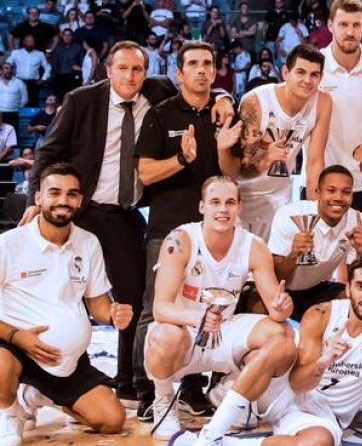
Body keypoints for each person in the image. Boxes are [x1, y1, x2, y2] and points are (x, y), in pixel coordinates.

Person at [28, 41, 232, 412]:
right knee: (60, 289)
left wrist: (224, 97)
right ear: (108, 70)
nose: (130, 76)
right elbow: (48, 152)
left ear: (147, 72)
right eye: (122, 69)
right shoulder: (81, 100)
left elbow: (201, 84)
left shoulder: (157, 93)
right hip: (82, 209)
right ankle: (44, 373)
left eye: (137, 69)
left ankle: (130, 383)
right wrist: (33, 201)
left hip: (124, 214)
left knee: (135, 298)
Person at [170, 256, 362, 446]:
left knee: (319, 443)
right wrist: (324, 360)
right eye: (361, 286)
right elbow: (298, 383)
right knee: (280, 345)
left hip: (323, 416)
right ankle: (208, 438)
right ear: (349, 287)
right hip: (285, 394)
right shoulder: (321, 315)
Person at [142, 176, 297, 442]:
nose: (222, 210)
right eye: (215, 202)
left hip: (225, 328)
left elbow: (276, 308)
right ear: (202, 206)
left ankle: (230, 394)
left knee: (282, 335)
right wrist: (196, 317)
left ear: (239, 207)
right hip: (185, 332)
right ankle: (163, 400)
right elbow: (161, 308)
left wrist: (284, 306)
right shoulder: (180, 240)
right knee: (163, 335)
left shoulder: (254, 246)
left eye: (229, 203)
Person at [133, 41, 241, 417]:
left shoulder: (227, 113)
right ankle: (146, 391)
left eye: (207, 64)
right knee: (154, 309)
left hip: (214, 234)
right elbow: (145, 172)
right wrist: (182, 158)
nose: (200, 70)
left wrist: (226, 145)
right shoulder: (160, 115)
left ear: (215, 72)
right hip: (168, 228)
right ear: (179, 73)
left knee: (208, 306)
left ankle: (195, 388)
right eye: (192, 64)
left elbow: (234, 175)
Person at [0, 164, 132, 445]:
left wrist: (112, 313)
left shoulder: (89, 243)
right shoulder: (8, 245)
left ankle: (37, 395)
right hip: (14, 348)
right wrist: (17, 337)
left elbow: (97, 304)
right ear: (38, 198)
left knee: (112, 421)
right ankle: (10, 414)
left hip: (67, 361)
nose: (63, 200)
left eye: (72, 194)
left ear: (80, 201)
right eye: (55, 192)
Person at [229, 44, 332, 239]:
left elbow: (315, 162)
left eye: (314, 75)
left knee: (274, 265)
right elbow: (239, 164)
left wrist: (315, 214)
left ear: (321, 78)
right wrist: (266, 158)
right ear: (286, 72)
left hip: (280, 197)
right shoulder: (256, 100)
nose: (307, 80)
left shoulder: (323, 102)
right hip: (243, 196)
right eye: (300, 72)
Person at [315, 0, 362, 253]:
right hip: (322, 183)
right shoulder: (314, 66)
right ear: (330, 26)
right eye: (343, 24)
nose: (350, 31)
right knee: (319, 263)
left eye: (356, 25)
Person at [266, 165, 362, 320]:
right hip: (281, 290)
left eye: (346, 192)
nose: (339, 198)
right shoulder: (289, 215)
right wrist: (294, 254)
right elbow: (277, 277)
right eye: (331, 190)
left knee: (355, 299)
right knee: (259, 306)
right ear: (318, 193)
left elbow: (357, 280)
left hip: (318, 289)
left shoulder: (357, 221)